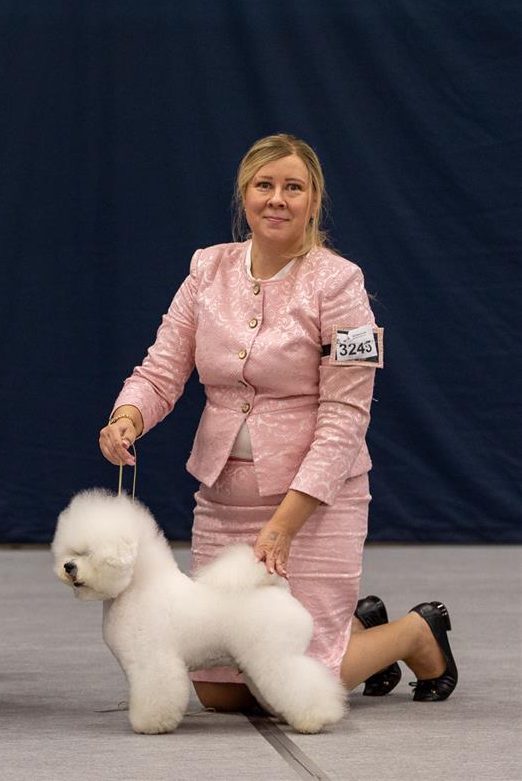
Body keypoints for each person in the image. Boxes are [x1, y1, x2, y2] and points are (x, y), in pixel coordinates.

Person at [98, 134, 458, 711]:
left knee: (289, 684)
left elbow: (345, 418)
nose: (277, 199)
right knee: (220, 692)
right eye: (264, 185)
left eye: (294, 187)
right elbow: (162, 368)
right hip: (224, 501)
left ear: (314, 200)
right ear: (244, 195)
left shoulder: (342, 283)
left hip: (313, 506)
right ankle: (356, 627)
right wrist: (127, 416)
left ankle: (416, 633)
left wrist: (285, 525)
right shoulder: (206, 270)